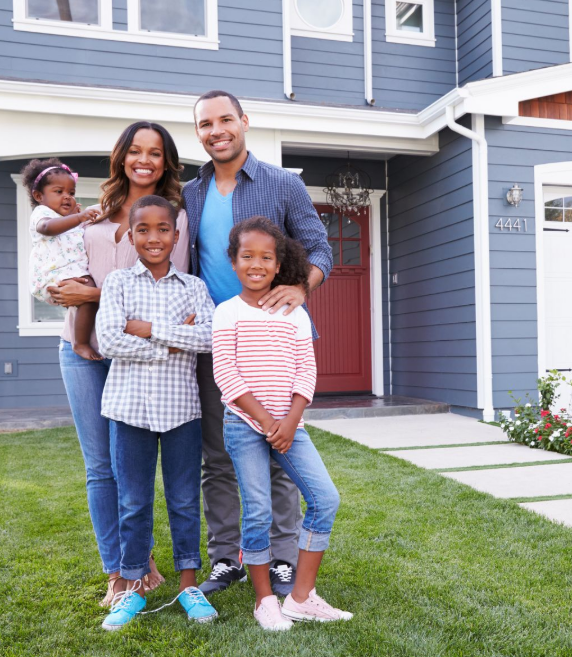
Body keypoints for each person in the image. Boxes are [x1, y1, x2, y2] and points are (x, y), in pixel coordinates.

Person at [184, 90, 333, 596]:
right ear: (199, 132)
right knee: (219, 456)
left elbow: (319, 248)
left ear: (244, 121)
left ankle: (284, 558)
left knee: (281, 453)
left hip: (277, 341)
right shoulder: (191, 192)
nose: (216, 129)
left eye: (225, 119)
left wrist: (301, 285)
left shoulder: (281, 184)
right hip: (219, 342)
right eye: (205, 123)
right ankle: (227, 558)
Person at [48, 121, 190, 606]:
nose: (143, 160)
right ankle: (120, 569)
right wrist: (65, 290)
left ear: (166, 161)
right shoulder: (92, 213)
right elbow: (65, 273)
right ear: (122, 156)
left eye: (154, 152)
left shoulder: (176, 218)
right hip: (81, 349)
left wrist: (92, 292)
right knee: (99, 467)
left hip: (138, 358)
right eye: (135, 150)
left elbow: (170, 295)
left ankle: (139, 557)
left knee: (135, 466)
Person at [213, 217, 349, 630]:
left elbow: (306, 372)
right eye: (247, 256)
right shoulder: (226, 313)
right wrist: (268, 421)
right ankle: (264, 600)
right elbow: (227, 376)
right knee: (258, 511)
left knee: (325, 500)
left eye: (266, 257)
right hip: (244, 424)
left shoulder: (296, 314)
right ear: (233, 263)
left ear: (278, 264)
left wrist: (290, 422)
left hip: (291, 425)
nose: (257, 264)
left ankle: (301, 598)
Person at [97, 196, 217, 631]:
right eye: (143, 230)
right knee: (133, 501)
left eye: (162, 229)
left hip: (181, 410)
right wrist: (172, 340)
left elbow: (206, 338)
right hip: (129, 410)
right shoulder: (117, 284)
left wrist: (147, 330)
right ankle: (131, 586)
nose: (153, 238)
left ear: (176, 234)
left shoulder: (194, 288)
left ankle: (189, 585)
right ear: (131, 236)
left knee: (185, 500)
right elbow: (109, 340)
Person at [23, 158, 103, 360]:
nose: (67, 197)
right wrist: (78, 217)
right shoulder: (42, 213)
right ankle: (80, 343)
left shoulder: (68, 218)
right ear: (39, 196)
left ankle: (81, 339)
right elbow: (47, 228)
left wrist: (76, 217)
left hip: (70, 271)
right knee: (87, 295)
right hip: (53, 274)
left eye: (71, 193)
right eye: (59, 192)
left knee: (87, 295)